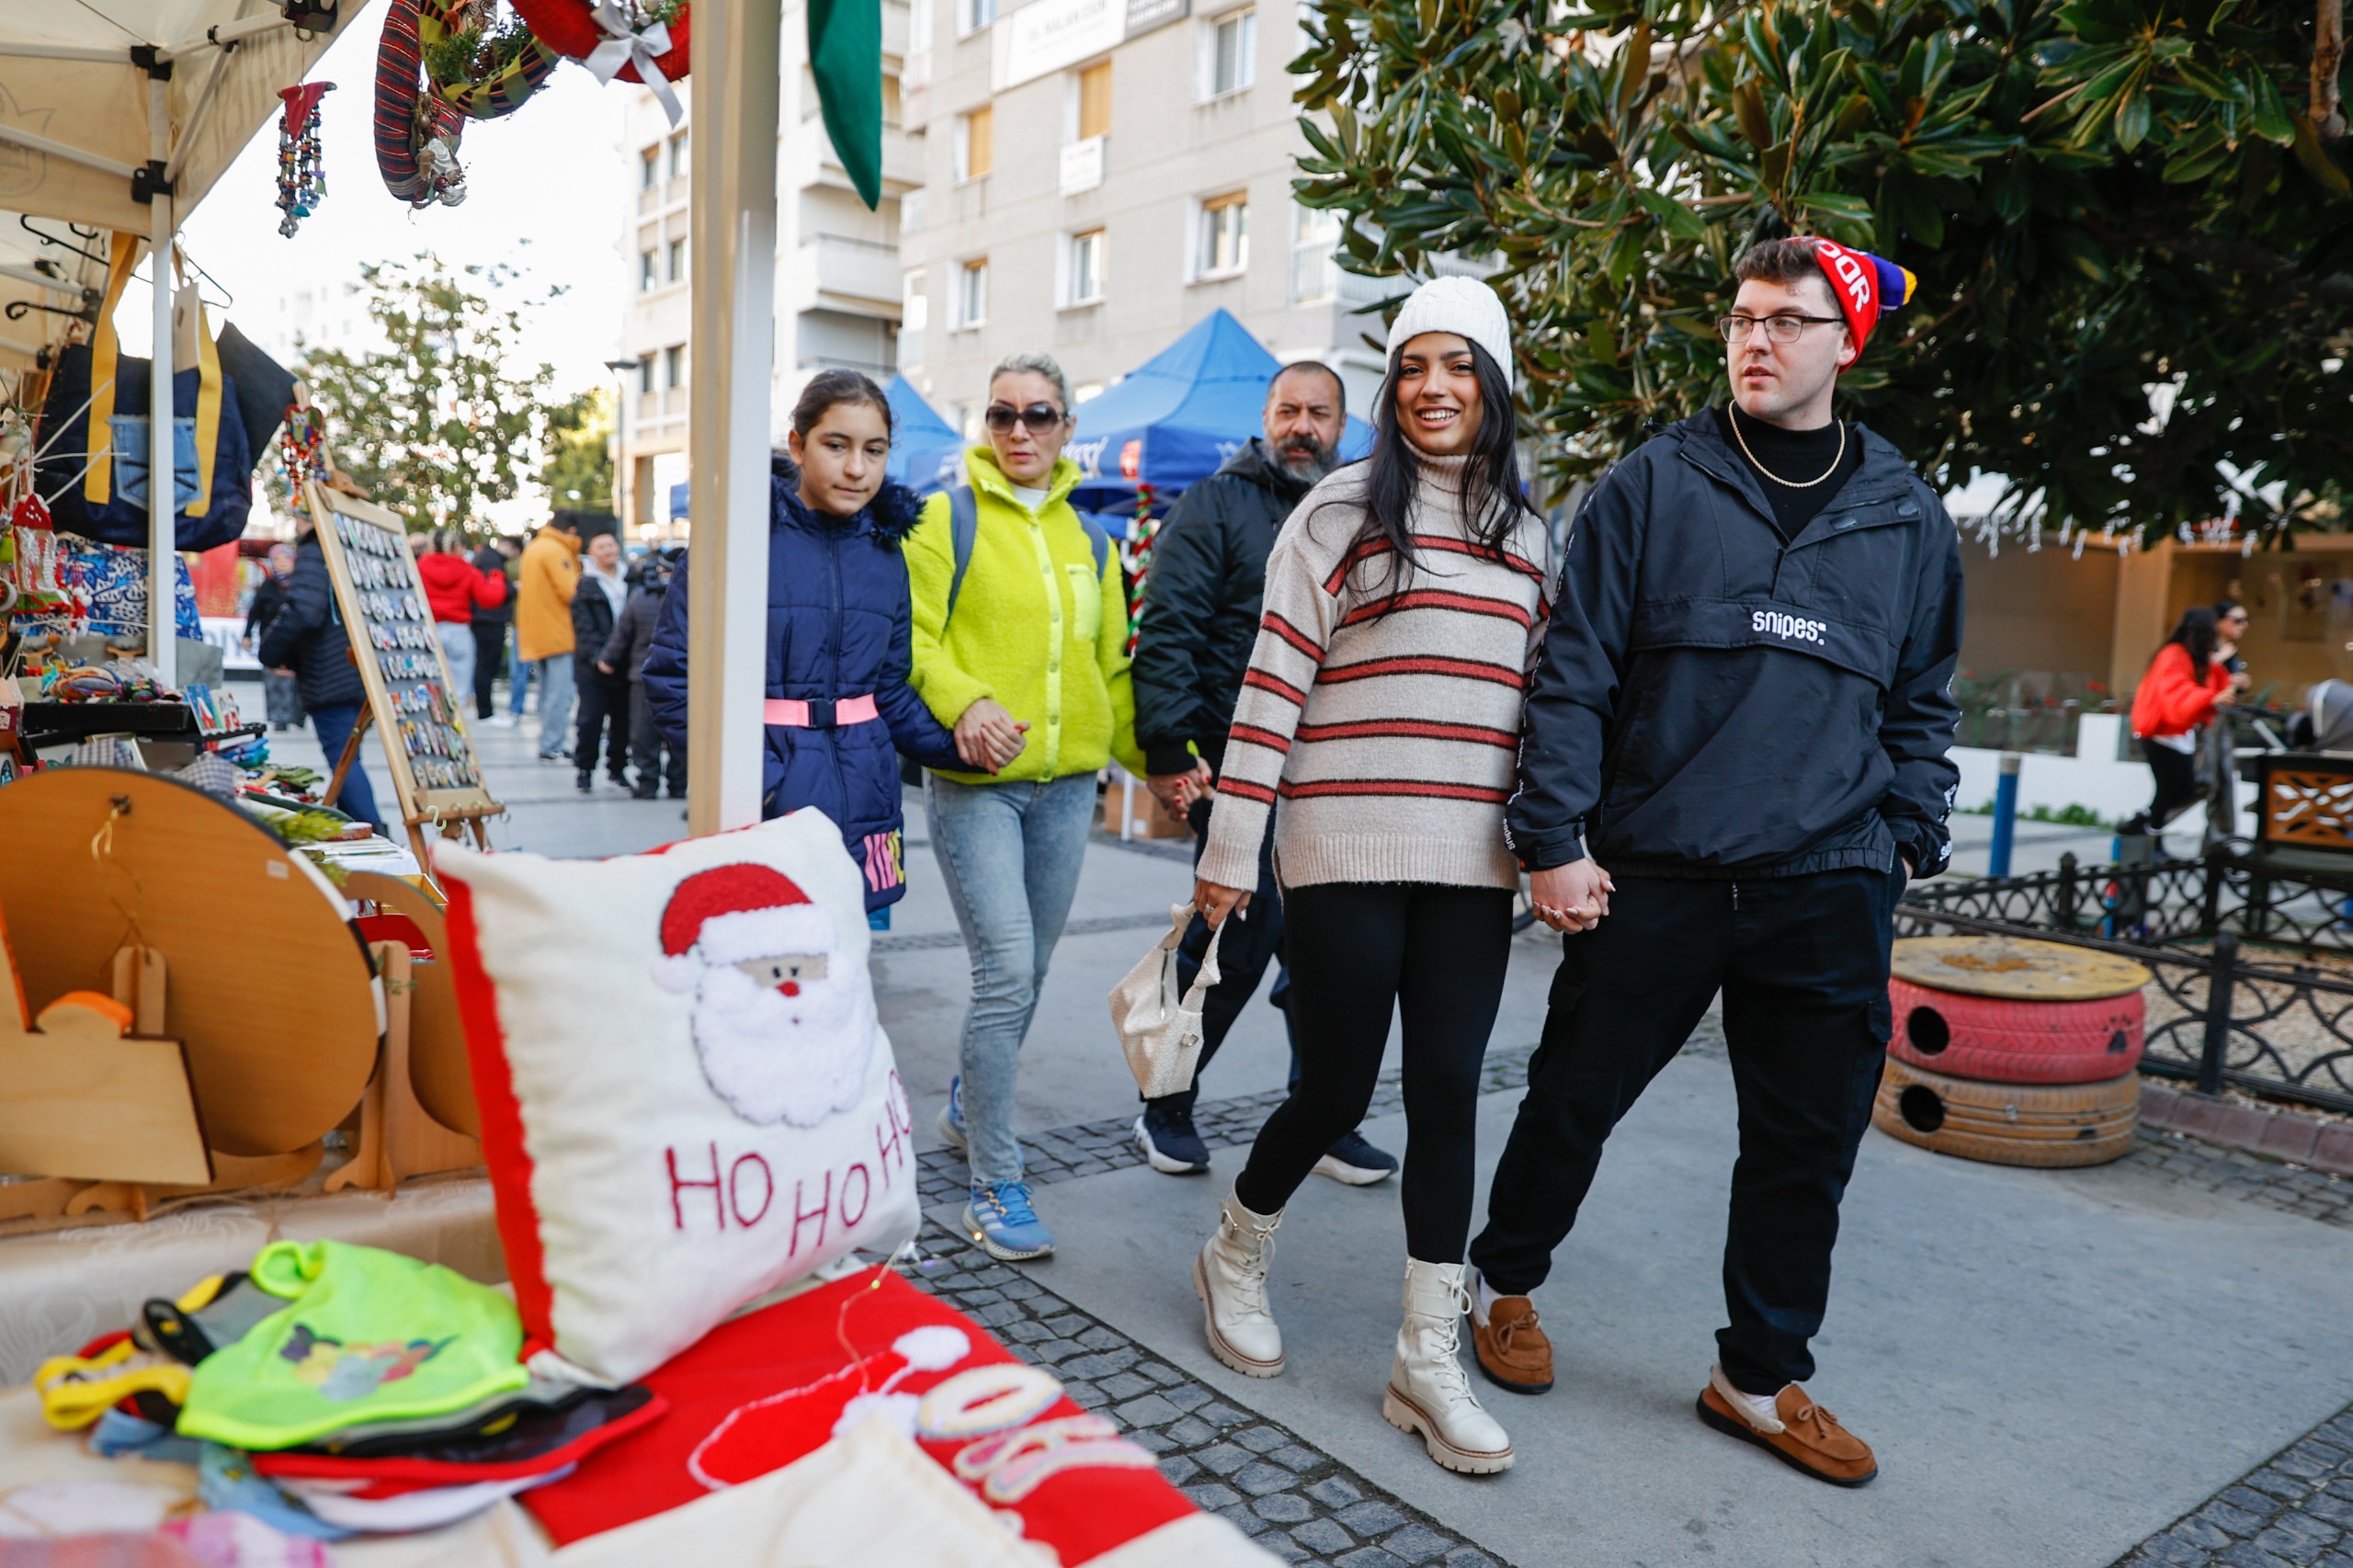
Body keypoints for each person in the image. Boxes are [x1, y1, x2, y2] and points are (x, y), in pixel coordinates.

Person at [1467, 237, 1963, 1489]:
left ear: (1846, 343)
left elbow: (1924, 699)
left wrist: (1904, 835)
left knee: (1805, 1144)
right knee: (1576, 1092)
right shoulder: (1655, 485)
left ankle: (1756, 1374)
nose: (1756, 340)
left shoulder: (1905, 512)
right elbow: (1572, 675)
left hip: (1830, 878)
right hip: (1658, 870)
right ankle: (1502, 1283)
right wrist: (1557, 838)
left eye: (1788, 321)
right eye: (1743, 318)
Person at [1188, 278, 1550, 1476]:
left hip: (1470, 865)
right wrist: (1233, 851)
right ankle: (1236, 1245)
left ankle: (1424, 1356)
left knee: (1449, 1089)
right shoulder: (1339, 513)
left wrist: (1561, 847)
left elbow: (1544, 714)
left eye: (1461, 365)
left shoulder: (1528, 537)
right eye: (1414, 366)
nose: (1436, 386)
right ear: (1393, 389)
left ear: (1495, 386)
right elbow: (1270, 685)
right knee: (1337, 1088)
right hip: (1340, 849)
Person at [1130, 362, 1398, 1187]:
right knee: (1236, 939)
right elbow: (1168, 625)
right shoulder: (1216, 502)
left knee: (1331, 955)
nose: (1301, 427)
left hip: (1337, 768)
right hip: (1238, 757)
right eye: (1288, 411)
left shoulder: (1358, 511)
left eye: (1319, 414)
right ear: (1266, 417)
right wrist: (1169, 746)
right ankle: (1165, 1102)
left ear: (1343, 425)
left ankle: (1320, 1117)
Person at [905, 351, 1147, 1264]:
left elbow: (1112, 673)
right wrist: (967, 702)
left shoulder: (1095, 543)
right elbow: (915, 641)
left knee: (1032, 971)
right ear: (984, 424)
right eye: (1001, 414)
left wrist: (1162, 767)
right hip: (977, 789)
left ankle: (973, 1099)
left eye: (1038, 415)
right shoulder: (943, 519)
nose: (1018, 432)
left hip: (1066, 790)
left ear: (1065, 429)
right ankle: (994, 1177)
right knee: (1006, 970)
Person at [643, 369, 975, 915]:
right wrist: (763, 786)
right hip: (766, 814)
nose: (855, 468)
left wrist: (959, 747)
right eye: (836, 445)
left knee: (849, 984)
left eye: (875, 450)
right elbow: (672, 677)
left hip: (867, 805)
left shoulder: (887, 553)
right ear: (798, 446)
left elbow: (887, 689)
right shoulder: (736, 538)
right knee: (764, 978)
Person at [258, 517, 383, 833]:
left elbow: (304, 611)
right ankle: (357, 831)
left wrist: (270, 652)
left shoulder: (317, 550)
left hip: (330, 673)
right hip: (358, 670)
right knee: (348, 757)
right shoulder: (350, 546)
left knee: (344, 761)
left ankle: (378, 834)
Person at [2121, 606, 2236, 836]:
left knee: (2179, 789)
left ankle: (2144, 826)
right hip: (2160, 731)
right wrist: (2212, 695)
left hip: (2174, 733)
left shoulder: (2188, 656)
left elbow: (2205, 685)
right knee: (2170, 789)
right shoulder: (2174, 654)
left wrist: (2226, 679)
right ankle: (2148, 833)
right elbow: (2178, 691)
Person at [601, 551, 685, 800]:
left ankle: (647, 783)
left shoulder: (641, 597)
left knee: (643, 733)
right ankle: (678, 785)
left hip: (644, 676)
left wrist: (607, 660)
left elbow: (622, 635)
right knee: (680, 732)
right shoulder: (696, 596)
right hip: (684, 677)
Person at [516, 516, 583, 760]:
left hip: (537, 630)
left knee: (546, 691)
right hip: (558, 631)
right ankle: (552, 742)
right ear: (571, 529)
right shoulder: (556, 550)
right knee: (560, 692)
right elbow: (570, 591)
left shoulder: (535, 547)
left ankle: (548, 740)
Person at [416, 528, 506, 706]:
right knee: (458, 693)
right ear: (456, 546)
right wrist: (496, 578)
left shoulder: (419, 566)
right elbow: (490, 599)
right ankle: (455, 730)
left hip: (427, 631)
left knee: (425, 690)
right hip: (458, 631)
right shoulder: (466, 569)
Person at [571, 531, 631, 793]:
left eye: (610, 545)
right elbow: (584, 629)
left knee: (623, 719)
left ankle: (617, 769)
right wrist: (599, 658)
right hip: (593, 666)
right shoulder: (586, 586)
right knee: (590, 719)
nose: (607, 550)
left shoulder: (632, 578)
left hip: (626, 663)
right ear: (592, 553)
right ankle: (585, 770)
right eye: (601, 546)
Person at [244, 543, 304, 732]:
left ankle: (299, 714)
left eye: (285, 559)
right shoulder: (267, 586)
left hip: (297, 639)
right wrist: (246, 635)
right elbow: (254, 612)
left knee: (298, 678)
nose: (281, 564)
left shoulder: (301, 584)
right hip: (271, 639)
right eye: (277, 560)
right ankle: (279, 718)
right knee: (274, 680)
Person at [472, 535, 522, 725]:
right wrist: (514, 589)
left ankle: (484, 710)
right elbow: (495, 592)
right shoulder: (492, 561)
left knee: (484, 665)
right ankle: (485, 712)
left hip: (484, 618)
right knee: (487, 666)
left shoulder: (483, 557)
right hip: (489, 619)